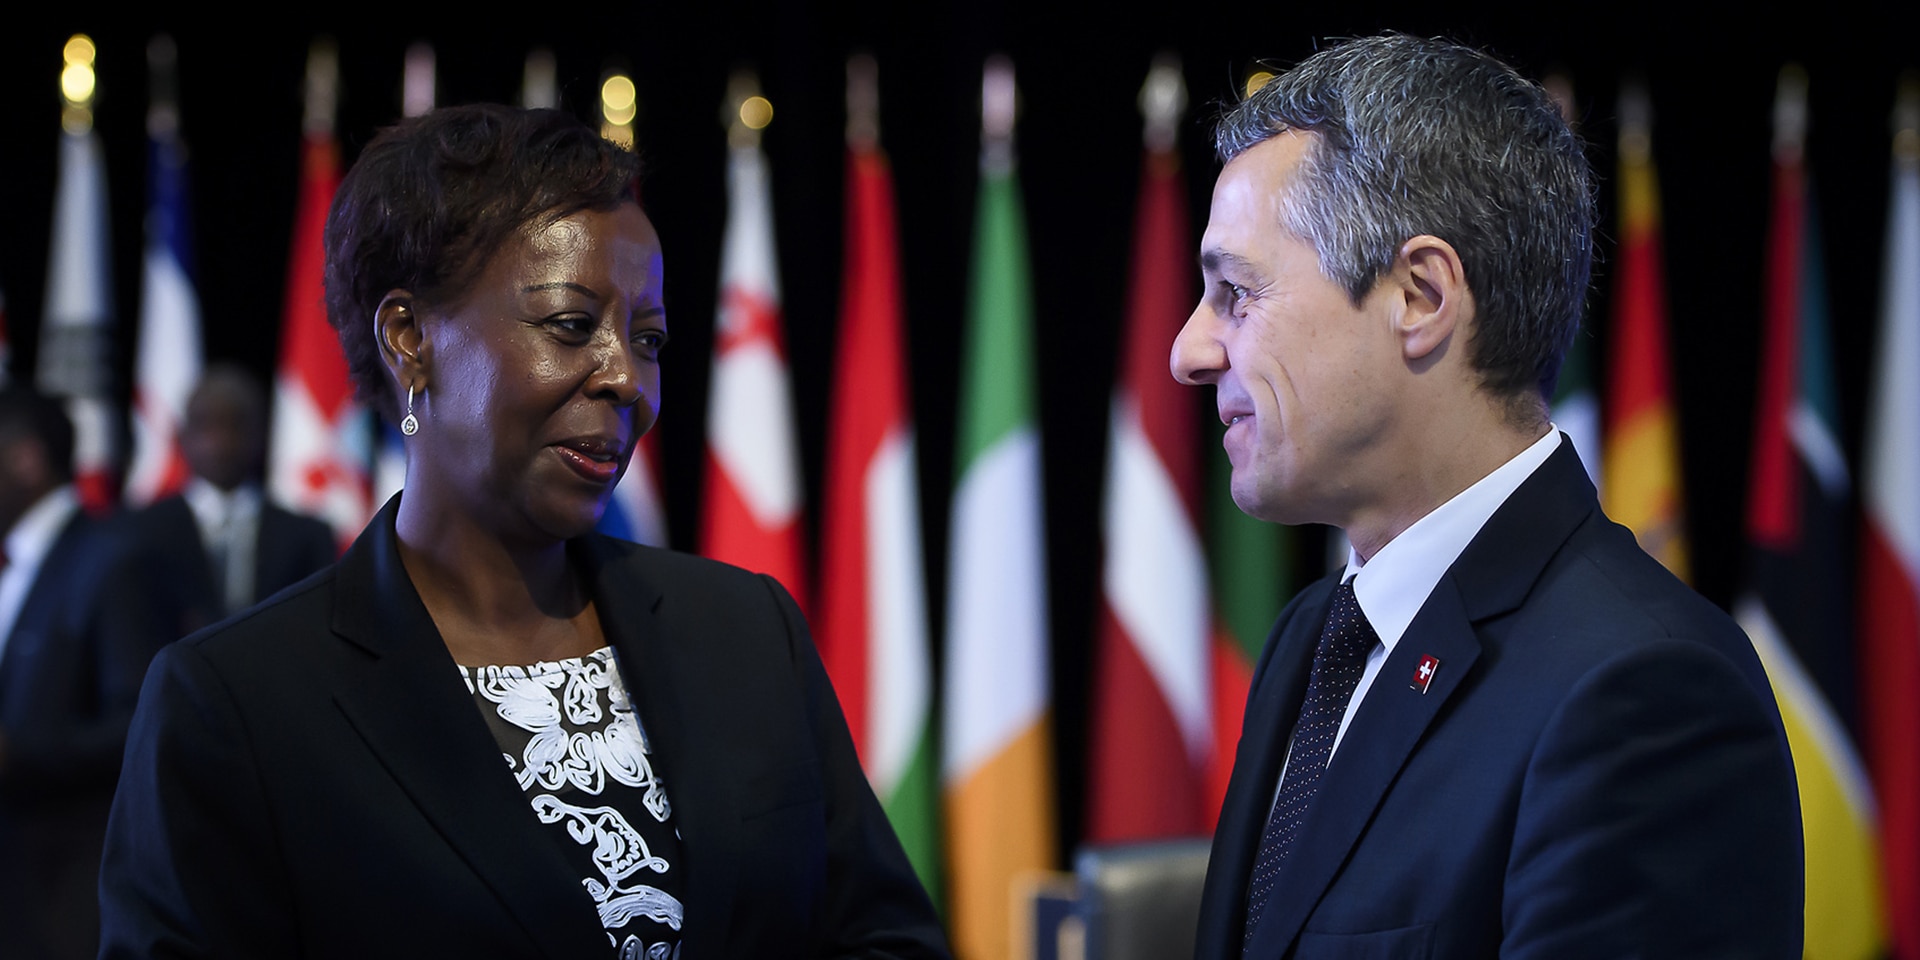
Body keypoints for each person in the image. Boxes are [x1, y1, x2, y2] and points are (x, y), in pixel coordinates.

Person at [100, 104, 948, 959]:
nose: (627, 379)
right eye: (572, 325)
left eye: (647, 338)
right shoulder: (234, 706)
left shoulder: (746, 630)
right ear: (410, 341)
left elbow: (886, 938)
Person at [1174, 35, 1802, 958]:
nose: (1189, 352)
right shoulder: (1314, 637)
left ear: (1421, 297)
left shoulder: (1646, 693)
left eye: (1237, 292)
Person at [0, 387, 155, 960]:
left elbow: (138, 724)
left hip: (67, 891)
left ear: (25, 459)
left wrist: (20, 754)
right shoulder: (15, 561)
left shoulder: (112, 559)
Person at [124, 363, 336, 639]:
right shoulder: (138, 533)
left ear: (260, 435)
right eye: (205, 425)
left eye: (235, 425)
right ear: (182, 437)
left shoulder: (308, 537)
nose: (219, 441)